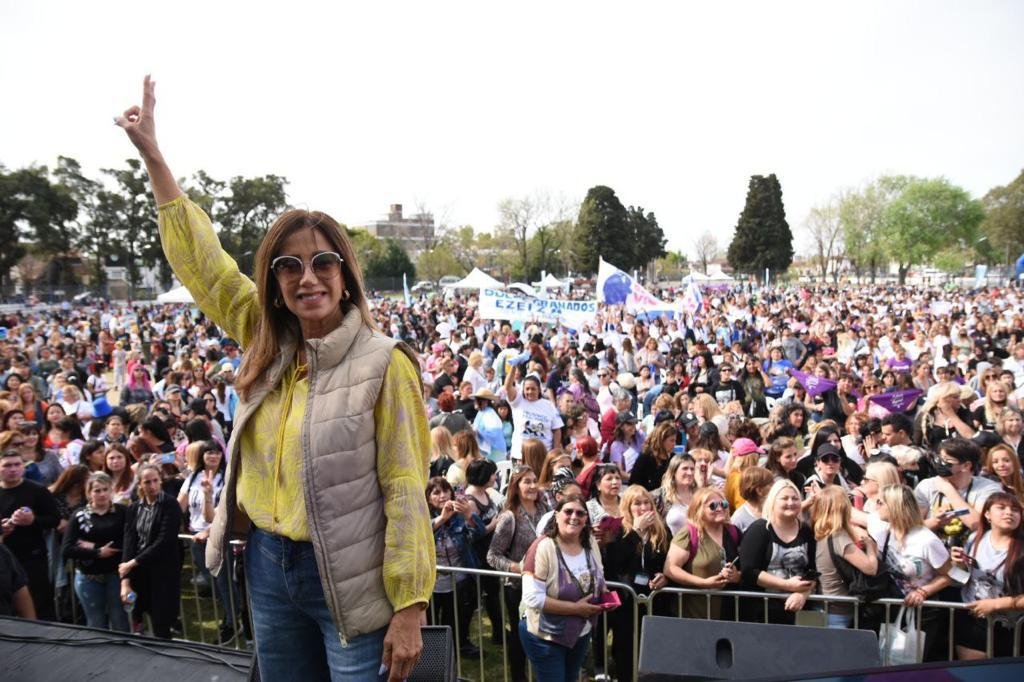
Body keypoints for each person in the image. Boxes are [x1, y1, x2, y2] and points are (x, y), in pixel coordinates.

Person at [118, 76, 433, 681]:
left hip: (354, 574)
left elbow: (405, 492)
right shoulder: (267, 341)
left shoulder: (384, 364)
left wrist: (410, 608)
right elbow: (205, 267)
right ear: (274, 282)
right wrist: (155, 158)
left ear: (345, 275)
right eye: (288, 265)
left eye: (322, 262)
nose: (306, 276)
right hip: (266, 562)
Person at [520, 494, 613, 682]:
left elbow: (599, 575)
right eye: (568, 511)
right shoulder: (542, 547)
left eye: (580, 513)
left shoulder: (590, 542)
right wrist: (577, 609)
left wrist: (604, 595)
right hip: (546, 636)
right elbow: (533, 598)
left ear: (586, 518)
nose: (574, 516)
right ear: (556, 515)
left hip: (580, 632)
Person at [869, 484, 952, 661]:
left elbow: (949, 574)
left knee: (912, 664)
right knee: (887, 662)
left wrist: (923, 591)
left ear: (895, 506)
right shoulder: (882, 533)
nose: (876, 506)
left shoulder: (926, 540)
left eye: (880, 502)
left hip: (922, 613)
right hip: (891, 608)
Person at [487, 465, 547, 682]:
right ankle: (518, 676)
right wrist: (518, 568)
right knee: (520, 634)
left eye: (534, 481)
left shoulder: (544, 509)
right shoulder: (509, 517)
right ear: (516, 486)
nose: (532, 486)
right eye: (526, 482)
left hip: (543, 584)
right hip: (517, 587)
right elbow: (492, 556)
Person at [603, 485, 670, 682]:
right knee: (625, 651)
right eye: (637, 503)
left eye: (646, 502)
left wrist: (665, 577)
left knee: (652, 651)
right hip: (626, 603)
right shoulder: (619, 530)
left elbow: (668, 563)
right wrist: (637, 531)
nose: (643, 507)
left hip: (653, 600)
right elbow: (615, 562)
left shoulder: (662, 531)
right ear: (628, 507)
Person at [949, 492, 1024, 659]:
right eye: (1001, 508)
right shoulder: (975, 539)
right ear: (987, 514)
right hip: (973, 619)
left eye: (1015, 510)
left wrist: (995, 604)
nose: (1009, 513)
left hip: (1012, 627)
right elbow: (960, 579)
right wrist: (958, 564)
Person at [177, 440, 236, 644]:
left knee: (224, 582)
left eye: (217, 452)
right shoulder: (193, 477)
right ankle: (231, 615)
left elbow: (226, 513)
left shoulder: (227, 479)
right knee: (212, 581)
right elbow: (180, 505)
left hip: (216, 537)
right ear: (202, 456)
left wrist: (209, 531)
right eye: (209, 452)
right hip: (195, 537)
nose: (213, 456)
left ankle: (233, 621)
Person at [738, 479, 817, 624]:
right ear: (773, 501)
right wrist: (786, 585)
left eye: (795, 498)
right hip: (762, 612)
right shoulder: (760, 529)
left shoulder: (805, 531)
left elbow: (813, 570)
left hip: (798, 611)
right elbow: (749, 571)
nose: (790, 502)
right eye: (784, 498)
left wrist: (803, 594)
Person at [62, 472, 128, 631]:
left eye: (105, 489)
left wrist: (90, 545)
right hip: (88, 577)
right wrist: (97, 551)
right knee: (95, 623)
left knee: (120, 620)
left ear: (111, 490)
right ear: (89, 493)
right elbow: (67, 548)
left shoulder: (122, 512)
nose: (102, 494)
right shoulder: (79, 515)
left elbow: (127, 541)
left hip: (115, 575)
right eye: (97, 490)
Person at [664, 486, 742, 619]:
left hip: (728, 614)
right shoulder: (689, 534)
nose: (719, 508)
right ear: (699, 510)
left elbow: (745, 568)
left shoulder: (733, 532)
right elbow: (670, 568)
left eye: (723, 504)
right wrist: (703, 583)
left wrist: (736, 576)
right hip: (694, 614)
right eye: (712, 506)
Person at [426, 476, 483, 658]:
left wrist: (468, 516)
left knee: (457, 618)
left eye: (446, 490)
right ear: (428, 498)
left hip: (459, 581)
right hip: (432, 584)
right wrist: (442, 519)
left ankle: (459, 646)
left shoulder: (459, 516)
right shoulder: (423, 517)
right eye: (436, 492)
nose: (442, 496)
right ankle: (436, 657)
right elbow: (419, 537)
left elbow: (479, 534)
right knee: (433, 622)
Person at [0, 448, 59, 620]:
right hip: (4, 558)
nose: (13, 469)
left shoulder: (37, 490)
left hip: (32, 558)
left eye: (17, 465)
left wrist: (33, 520)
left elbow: (55, 520)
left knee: (39, 605)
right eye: (7, 465)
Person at [810, 485, 878, 628]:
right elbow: (870, 567)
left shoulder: (820, 533)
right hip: (838, 612)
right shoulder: (838, 537)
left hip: (822, 606)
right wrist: (871, 547)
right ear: (844, 508)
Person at [504, 369, 564, 460]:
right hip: (520, 457)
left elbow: (557, 429)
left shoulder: (548, 405)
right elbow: (507, 387)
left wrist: (555, 451)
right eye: (527, 389)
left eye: (533, 389)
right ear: (523, 390)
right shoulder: (518, 401)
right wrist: (513, 368)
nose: (530, 392)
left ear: (539, 390)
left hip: (544, 456)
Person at [655, 453, 698, 536]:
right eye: (685, 468)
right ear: (674, 471)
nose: (689, 472)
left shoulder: (698, 494)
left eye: (692, 469)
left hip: (698, 546)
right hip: (670, 546)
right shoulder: (659, 496)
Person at [630, 421, 676, 492]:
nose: (674, 444)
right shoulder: (645, 458)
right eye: (671, 441)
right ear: (661, 440)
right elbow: (634, 483)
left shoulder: (673, 458)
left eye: (675, 441)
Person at [730, 467, 775, 532]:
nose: (775, 487)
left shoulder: (773, 510)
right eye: (771, 484)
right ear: (759, 490)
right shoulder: (738, 520)